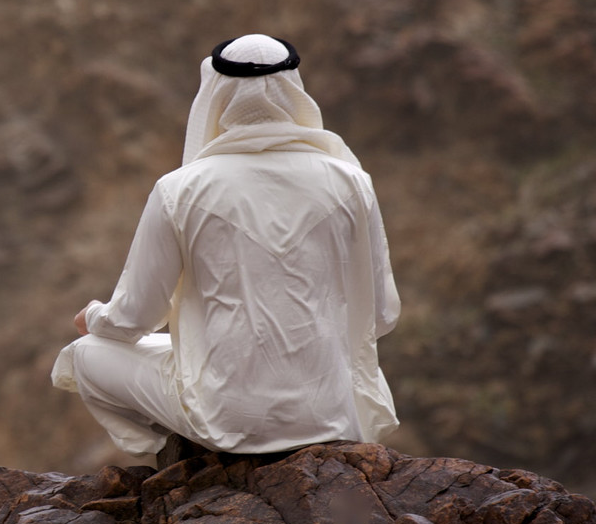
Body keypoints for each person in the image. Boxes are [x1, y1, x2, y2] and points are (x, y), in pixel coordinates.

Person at [52, 34, 400, 459]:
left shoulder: (178, 190)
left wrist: (93, 317)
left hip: (229, 421)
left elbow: (133, 319)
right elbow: (380, 315)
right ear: (293, 89)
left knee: (87, 353)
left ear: (216, 95)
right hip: (330, 416)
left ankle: (176, 455)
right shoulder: (351, 182)